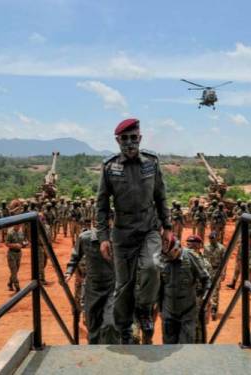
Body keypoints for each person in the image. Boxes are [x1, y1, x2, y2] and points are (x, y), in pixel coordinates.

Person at [95, 118, 172, 345]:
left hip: (148, 230)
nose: (129, 143)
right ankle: (125, 328)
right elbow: (101, 205)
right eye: (124, 139)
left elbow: (161, 196)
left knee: (152, 266)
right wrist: (103, 237)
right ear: (118, 140)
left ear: (140, 138)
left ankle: (145, 311)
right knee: (124, 285)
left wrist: (167, 226)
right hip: (122, 235)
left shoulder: (151, 163)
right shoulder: (110, 167)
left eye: (133, 138)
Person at [65, 229, 120, 344]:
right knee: (93, 328)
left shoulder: (118, 237)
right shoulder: (85, 238)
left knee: (110, 324)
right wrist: (69, 271)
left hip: (112, 287)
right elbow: (75, 256)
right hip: (93, 288)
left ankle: (111, 356)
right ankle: (94, 352)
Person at [159, 234, 211, 344]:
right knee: (168, 345)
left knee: (186, 345)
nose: (168, 258)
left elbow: (206, 279)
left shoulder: (191, 257)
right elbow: (160, 286)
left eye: (170, 255)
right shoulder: (162, 258)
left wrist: (206, 298)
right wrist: (160, 309)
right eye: (166, 255)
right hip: (168, 311)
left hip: (187, 312)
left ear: (177, 249)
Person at [184, 235, 212, 343]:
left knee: (199, 326)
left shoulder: (205, 263)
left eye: (193, 247)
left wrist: (208, 302)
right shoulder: (181, 261)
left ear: (199, 247)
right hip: (185, 298)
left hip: (199, 299)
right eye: (188, 246)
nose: (190, 249)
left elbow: (209, 284)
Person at [203, 231, 226, 320]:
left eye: (213, 238)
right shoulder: (206, 247)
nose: (211, 240)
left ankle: (214, 309)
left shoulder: (221, 248)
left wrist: (223, 273)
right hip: (207, 270)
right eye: (210, 238)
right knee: (206, 289)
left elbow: (224, 262)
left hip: (217, 271)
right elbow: (203, 258)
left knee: (215, 291)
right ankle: (207, 308)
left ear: (217, 238)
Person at [5, 223, 26, 292]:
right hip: (11, 254)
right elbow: (7, 244)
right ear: (14, 225)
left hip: (19, 253)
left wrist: (24, 243)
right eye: (17, 225)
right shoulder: (10, 233)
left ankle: (10, 283)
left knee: (16, 270)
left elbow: (23, 241)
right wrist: (15, 245)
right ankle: (17, 287)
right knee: (14, 270)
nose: (18, 226)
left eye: (19, 225)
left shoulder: (20, 232)